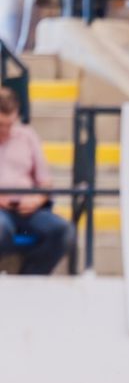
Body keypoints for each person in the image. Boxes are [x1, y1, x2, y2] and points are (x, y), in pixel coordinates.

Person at [0, 87, 73, 275]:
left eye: (10, 124)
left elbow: (45, 181)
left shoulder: (27, 135)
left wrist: (37, 200)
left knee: (63, 232)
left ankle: (29, 279)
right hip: (2, 213)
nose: (6, 130)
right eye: (1, 125)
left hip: (28, 209)